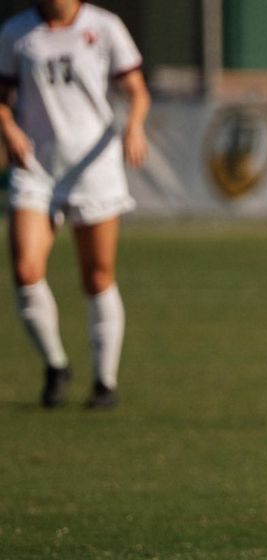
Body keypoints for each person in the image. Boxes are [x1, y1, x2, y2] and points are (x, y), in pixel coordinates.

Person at [0, 0, 149, 409]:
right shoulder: (17, 32)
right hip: (36, 166)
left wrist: (134, 126)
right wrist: (8, 127)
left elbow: (136, 91)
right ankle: (56, 365)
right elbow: (2, 95)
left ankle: (105, 382)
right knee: (26, 269)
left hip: (93, 167)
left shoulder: (105, 26)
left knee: (97, 276)